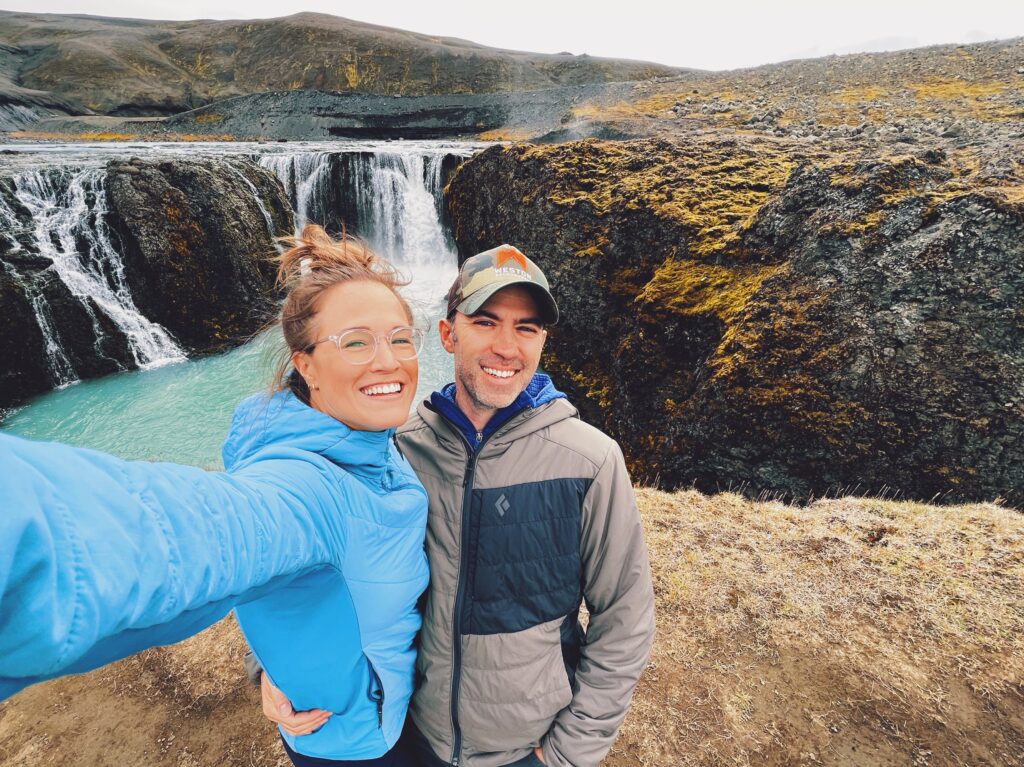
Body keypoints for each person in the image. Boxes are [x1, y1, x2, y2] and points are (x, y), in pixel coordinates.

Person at [0, 226, 429, 766]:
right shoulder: (305, 488)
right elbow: (190, 532)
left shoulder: (378, 448)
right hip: (352, 745)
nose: (389, 361)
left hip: (402, 709)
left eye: (401, 337)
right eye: (357, 342)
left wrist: (276, 657)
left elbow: (296, 586)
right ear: (305, 364)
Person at [261, 244, 657, 767]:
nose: (506, 347)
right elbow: (314, 568)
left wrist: (566, 754)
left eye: (527, 327)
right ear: (449, 333)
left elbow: (625, 619)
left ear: (543, 341)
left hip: (525, 753)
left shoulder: (590, 460)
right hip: (411, 736)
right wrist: (270, 667)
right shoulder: (397, 448)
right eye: (486, 322)